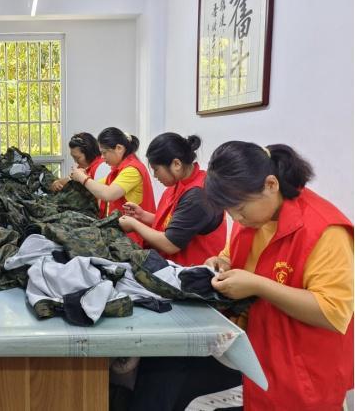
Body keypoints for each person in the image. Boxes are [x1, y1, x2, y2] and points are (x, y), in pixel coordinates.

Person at [202, 141, 353, 410]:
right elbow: (231, 255)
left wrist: (259, 286)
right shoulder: (254, 218)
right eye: (229, 212)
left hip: (306, 368)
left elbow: (333, 312)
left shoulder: (323, 230)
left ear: (271, 185)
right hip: (264, 355)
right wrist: (220, 263)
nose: (236, 219)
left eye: (240, 209)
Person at [117, 133, 226, 266]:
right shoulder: (180, 183)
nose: (155, 176)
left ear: (176, 164)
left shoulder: (198, 196)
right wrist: (142, 215)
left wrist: (134, 225)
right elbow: (176, 223)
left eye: (156, 169)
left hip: (191, 271)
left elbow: (170, 244)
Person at [70, 127, 155, 245]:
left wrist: (83, 178)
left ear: (119, 148)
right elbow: (99, 186)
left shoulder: (132, 169)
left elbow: (108, 194)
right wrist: (81, 177)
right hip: (123, 234)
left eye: (104, 153)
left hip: (134, 239)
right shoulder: (119, 169)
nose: (102, 157)